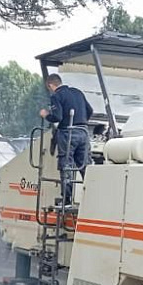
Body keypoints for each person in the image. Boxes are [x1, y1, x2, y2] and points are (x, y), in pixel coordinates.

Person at [39, 74, 93, 205]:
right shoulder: (78, 93)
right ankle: (92, 196)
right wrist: (82, 122)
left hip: (68, 133)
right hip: (84, 132)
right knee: (86, 165)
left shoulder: (56, 96)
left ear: (51, 85)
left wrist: (46, 115)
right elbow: (90, 110)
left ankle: (66, 200)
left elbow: (57, 117)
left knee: (66, 166)